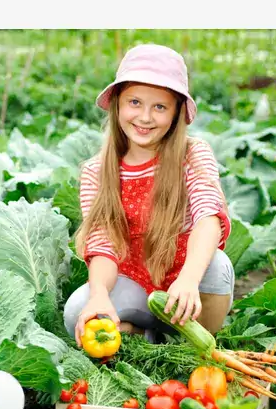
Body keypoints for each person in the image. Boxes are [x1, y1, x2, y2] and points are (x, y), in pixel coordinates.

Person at [64, 43, 234, 348]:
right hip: (131, 279)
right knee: (78, 311)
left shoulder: (192, 154)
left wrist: (189, 279)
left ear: (176, 113)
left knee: (217, 266)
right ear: (117, 104)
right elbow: (103, 245)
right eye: (135, 102)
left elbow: (208, 217)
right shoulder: (96, 171)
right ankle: (149, 334)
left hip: (184, 273)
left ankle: (192, 346)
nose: (144, 117)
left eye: (159, 107)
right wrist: (100, 295)